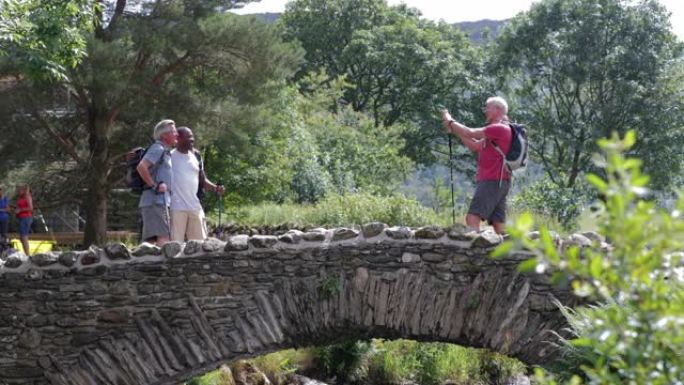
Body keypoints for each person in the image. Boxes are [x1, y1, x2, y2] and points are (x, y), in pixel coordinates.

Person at [442, 96, 512, 235]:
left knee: (472, 218)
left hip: (492, 180)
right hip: (501, 181)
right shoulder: (502, 130)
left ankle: (474, 253)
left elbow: (469, 132)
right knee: (498, 224)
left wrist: (450, 121)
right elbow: (475, 146)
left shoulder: (498, 128)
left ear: (498, 109)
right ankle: (504, 254)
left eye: (488, 107)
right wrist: (455, 129)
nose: (485, 111)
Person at [170, 126, 224, 242]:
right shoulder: (169, 156)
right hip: (176, 207)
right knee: (175, 244)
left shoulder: (196, 155)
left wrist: (215, 188)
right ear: (178, 139)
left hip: (195, 205)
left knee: (200, 245)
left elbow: (202, 180)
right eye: (188, 137)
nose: (192, 139)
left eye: (192, 136)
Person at [136, 119, 177, 245]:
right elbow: (141, 167)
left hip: (155, 201)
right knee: (163, 239)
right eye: (173, 131)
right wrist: (155, 185)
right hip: (156, 201)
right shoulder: (158, 148)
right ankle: (163, 265)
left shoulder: (164, 151)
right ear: (164, 135)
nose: (177, 134)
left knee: (150, 241)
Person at [14, 184, 34, 255]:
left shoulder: (27, 196)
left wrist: (21, 210)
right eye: (17, 190)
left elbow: (31, 208)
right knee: (21, 237)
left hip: (26, 218)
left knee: (24, 236)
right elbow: (18, 207)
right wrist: (16, 211)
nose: (18, 192)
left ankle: (27, 254)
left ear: (23, 190)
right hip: (21, 218)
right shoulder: (20, 198)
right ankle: (26, 253)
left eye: (19, 190)